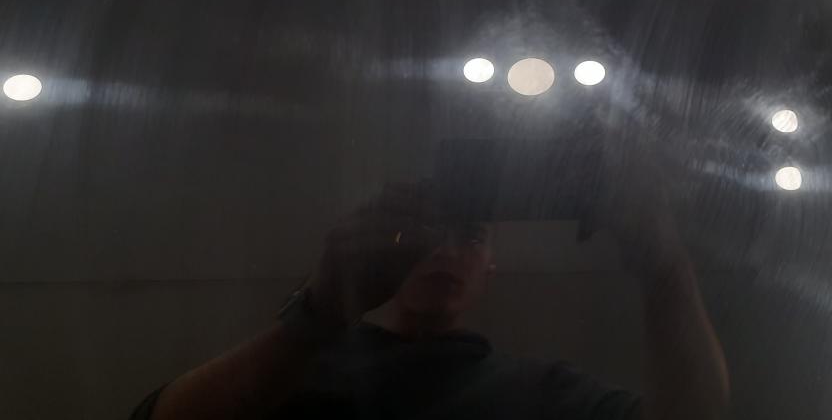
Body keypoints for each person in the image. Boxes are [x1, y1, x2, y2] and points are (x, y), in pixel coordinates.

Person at [130, 173, 729, 420]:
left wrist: (665, 264)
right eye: (424, 235)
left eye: (469, 237)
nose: (444, 252)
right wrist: (321, 309)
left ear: (490, 265)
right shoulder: (296, 369)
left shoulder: (545, 391)